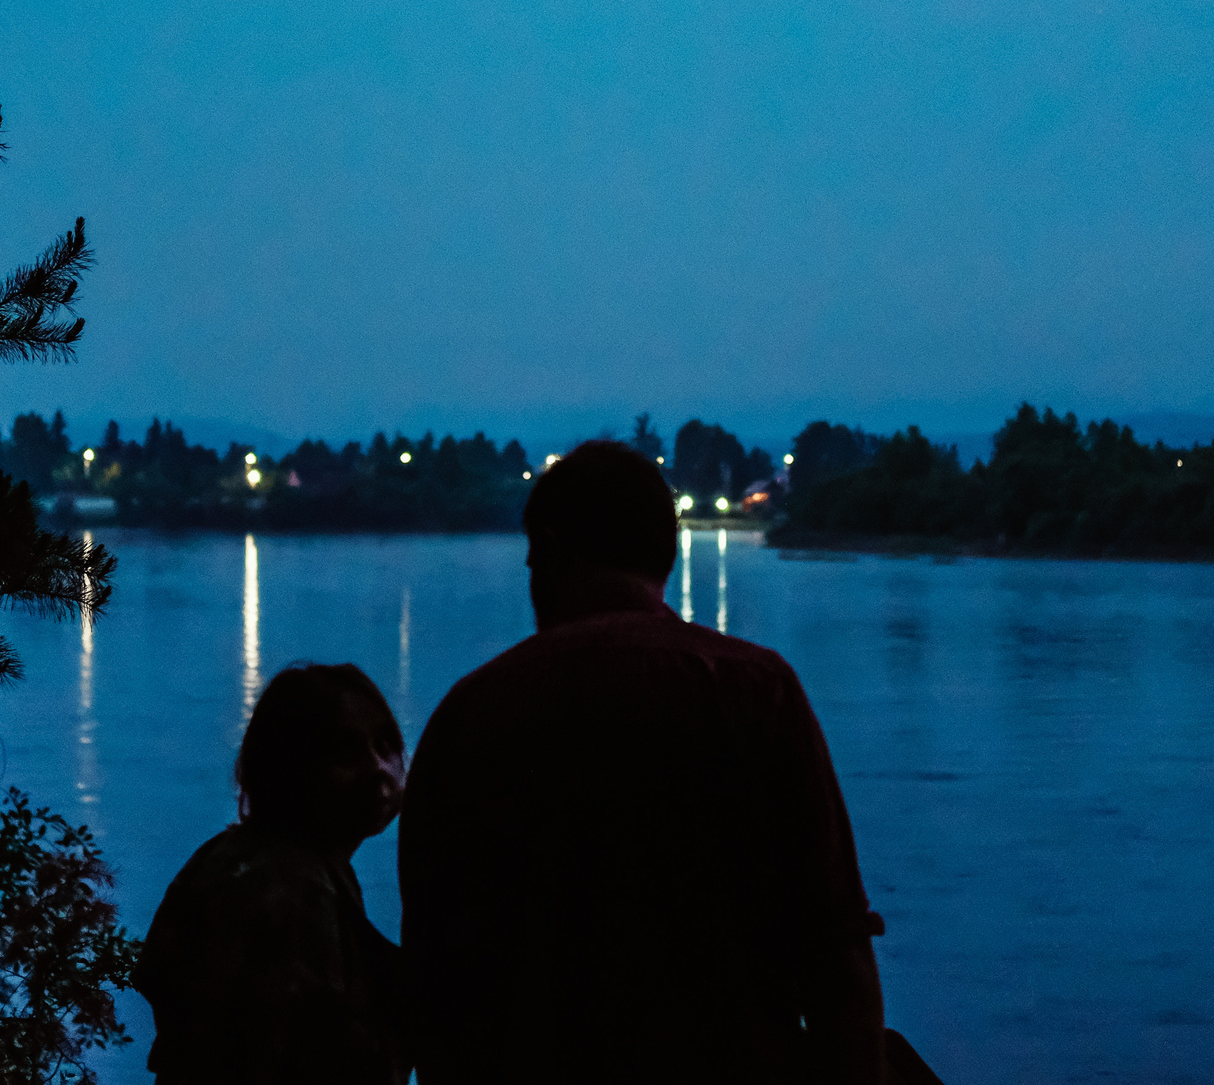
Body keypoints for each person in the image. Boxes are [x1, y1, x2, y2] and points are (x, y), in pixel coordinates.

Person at [399, 441, 894, 1085]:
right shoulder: (759, 692)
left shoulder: (472, 714)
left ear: (551, 552)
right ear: (668, 552)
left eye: (531, 561)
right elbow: (837, 954)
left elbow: (434, 977)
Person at [134, 663, 410, 1085]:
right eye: (345, 752)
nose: (378, 768)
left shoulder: (240, 858)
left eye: (386, 745)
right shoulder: (291, 891)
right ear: (290, 769)